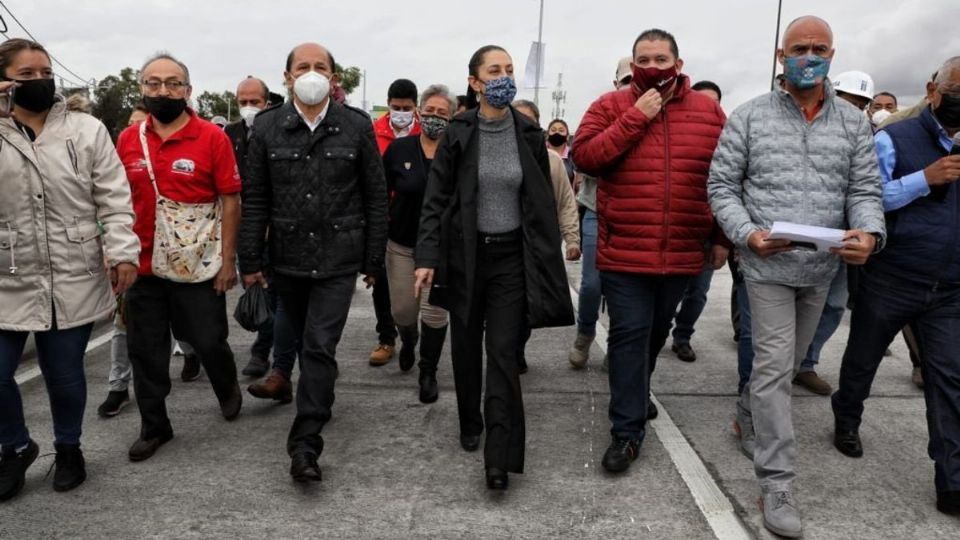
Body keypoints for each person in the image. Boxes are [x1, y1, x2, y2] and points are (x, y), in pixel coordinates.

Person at [708, 16, 886, 537]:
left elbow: (864, 190)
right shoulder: (748, 117)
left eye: (820, 48)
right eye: (800, 48)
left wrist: (869, 233)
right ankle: (777, 481)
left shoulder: (855, 124)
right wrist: (746, 234)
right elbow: (721, 185)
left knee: (784, 368)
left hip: (823, 269)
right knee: (771, 367)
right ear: (781, 56)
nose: (811, 56)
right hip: (766, 265)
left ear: (833, 54)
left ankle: (746, 413)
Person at [415, 45, 573, 490]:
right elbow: (437, 200)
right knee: (465, 347)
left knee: (502, 352)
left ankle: (498, 457)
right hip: (464, 257)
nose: (503, 76)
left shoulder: (528, 133)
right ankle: (470, 420)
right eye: (494, 70)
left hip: (510, 260)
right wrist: (426, 258)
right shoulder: (459, 131)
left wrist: (548, 253)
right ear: (475, 82)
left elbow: (539, 199)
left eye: (508, 69)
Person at [573, 29, 728, 475]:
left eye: (662, 59)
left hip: (682, 249)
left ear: (678, 64)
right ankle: (627, 432)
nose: (654, 67)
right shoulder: (610, 105)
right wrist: (634, 118)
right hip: (624, 248)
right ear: (633, 63)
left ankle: (637, 394)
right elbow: (585, 157)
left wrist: (721, 238)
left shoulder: (708, 111)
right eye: (645, 59)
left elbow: (725, 178)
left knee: (655, 334)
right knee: (628, 334)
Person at [239, 42, 388, 482]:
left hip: (339, 258)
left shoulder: (355, 127)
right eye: (302, 67)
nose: (311, 73)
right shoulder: (266, 128)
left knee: (319, 345)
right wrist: (251, 260)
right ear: (286, 77)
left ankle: (305, 443)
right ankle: (310, 393)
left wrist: (373, 259)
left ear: (333, 77)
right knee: (300, 337)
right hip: (286, 258)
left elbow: (375, 197)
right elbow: (256, 200)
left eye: (319, 67)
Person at [0, 38, 139, 499]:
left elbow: (114, 197)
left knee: (64, 374)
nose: (40, 81)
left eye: (44, 72)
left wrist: (122, 251)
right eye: (26, 75)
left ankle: (69, 448)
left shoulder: (86, 129)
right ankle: (16, 446)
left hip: (73, 269)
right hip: (9, 273)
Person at [832, 56, 960, 516]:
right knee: (863, 359)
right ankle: (846, 416)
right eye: (957, 93)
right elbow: (867, 195)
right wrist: (923, 179)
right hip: (893, 276)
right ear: (933, 91)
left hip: (949, 288)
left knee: (948, 380)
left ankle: (952, 481)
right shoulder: (893, 137)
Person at [117, 52, 243, 463]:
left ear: (188, 91)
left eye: (173, 83)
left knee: (208, 340)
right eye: (154, 83)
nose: (163, 91)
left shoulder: (212, 137)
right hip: (144, 267)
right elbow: (116, 202)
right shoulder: (128, 140)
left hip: (197, 267)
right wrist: (117, 256)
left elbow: (230, 200)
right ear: (142, 89)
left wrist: (228, 262)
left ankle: (226, 386)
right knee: (145, 351)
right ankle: (155, 426)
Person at [382, 84, 456, 402]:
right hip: (401, 245)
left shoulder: (456, 153)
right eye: (429, 110)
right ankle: (408, 339)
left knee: (436, 313)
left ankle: (428, 372)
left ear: (452, 118)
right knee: (403, 311)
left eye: (442, 113)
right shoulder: (399, 150)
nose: (434, 117)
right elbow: (381, 194)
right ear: (419, 111)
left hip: (442, 249)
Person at [567, 57, 633, 370]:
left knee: (628, 291)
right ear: (616, 83)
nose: (632, 86)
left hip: (637, 219)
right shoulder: (602, 111)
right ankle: (585, 333)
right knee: (592, 284)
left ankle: (618, 347)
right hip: (597, 209)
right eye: (627, 80)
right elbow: (583, 157)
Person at [512, 99, 581, 373]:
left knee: (531, 306)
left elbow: (566, 202)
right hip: (504, 244)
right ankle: (506, 349)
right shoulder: (496, 157)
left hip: (540, 245)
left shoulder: (552, 162)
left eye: (529, 121)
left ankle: (518, 345)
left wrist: (572, 239)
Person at [668, 80, 726, 364]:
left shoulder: (726, 142)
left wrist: (722, 240)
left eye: (712, 103)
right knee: (668, 293)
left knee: (698, 292)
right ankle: (659, 329)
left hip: (707, 231)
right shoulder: (678, 138)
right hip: (678, 231)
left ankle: (683, 336)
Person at [368, 79, 421, 367]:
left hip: (414, 218)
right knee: (380, 282)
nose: (401, 112)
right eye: (396, 107)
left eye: (407, 108)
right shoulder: (372, 133)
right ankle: (386, 338)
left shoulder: (426, 132)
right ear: (388, 104)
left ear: (416, 107)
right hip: (381, 217)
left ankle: (409, 332)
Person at [545, 118, 575, 184]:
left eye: (561, 130)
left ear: (567, 136)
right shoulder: (540, 152)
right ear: (547, 135)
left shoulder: (573, 156)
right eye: (553, 130)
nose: (557, 133)